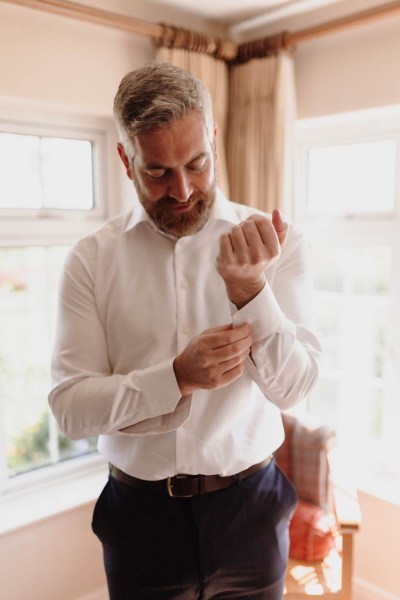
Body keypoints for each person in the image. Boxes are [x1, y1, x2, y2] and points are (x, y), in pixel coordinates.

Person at [49, 61, 320, 600]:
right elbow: (70, 409)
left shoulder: (275, 245)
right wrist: (175, 377)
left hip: (253, 512)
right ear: (126, 160)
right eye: (157, 172)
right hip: (141, 522)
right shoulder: (90, 261)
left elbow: (296, 390)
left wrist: (250, 293)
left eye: (197, 163)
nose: (182, 190)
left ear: (214, 141)